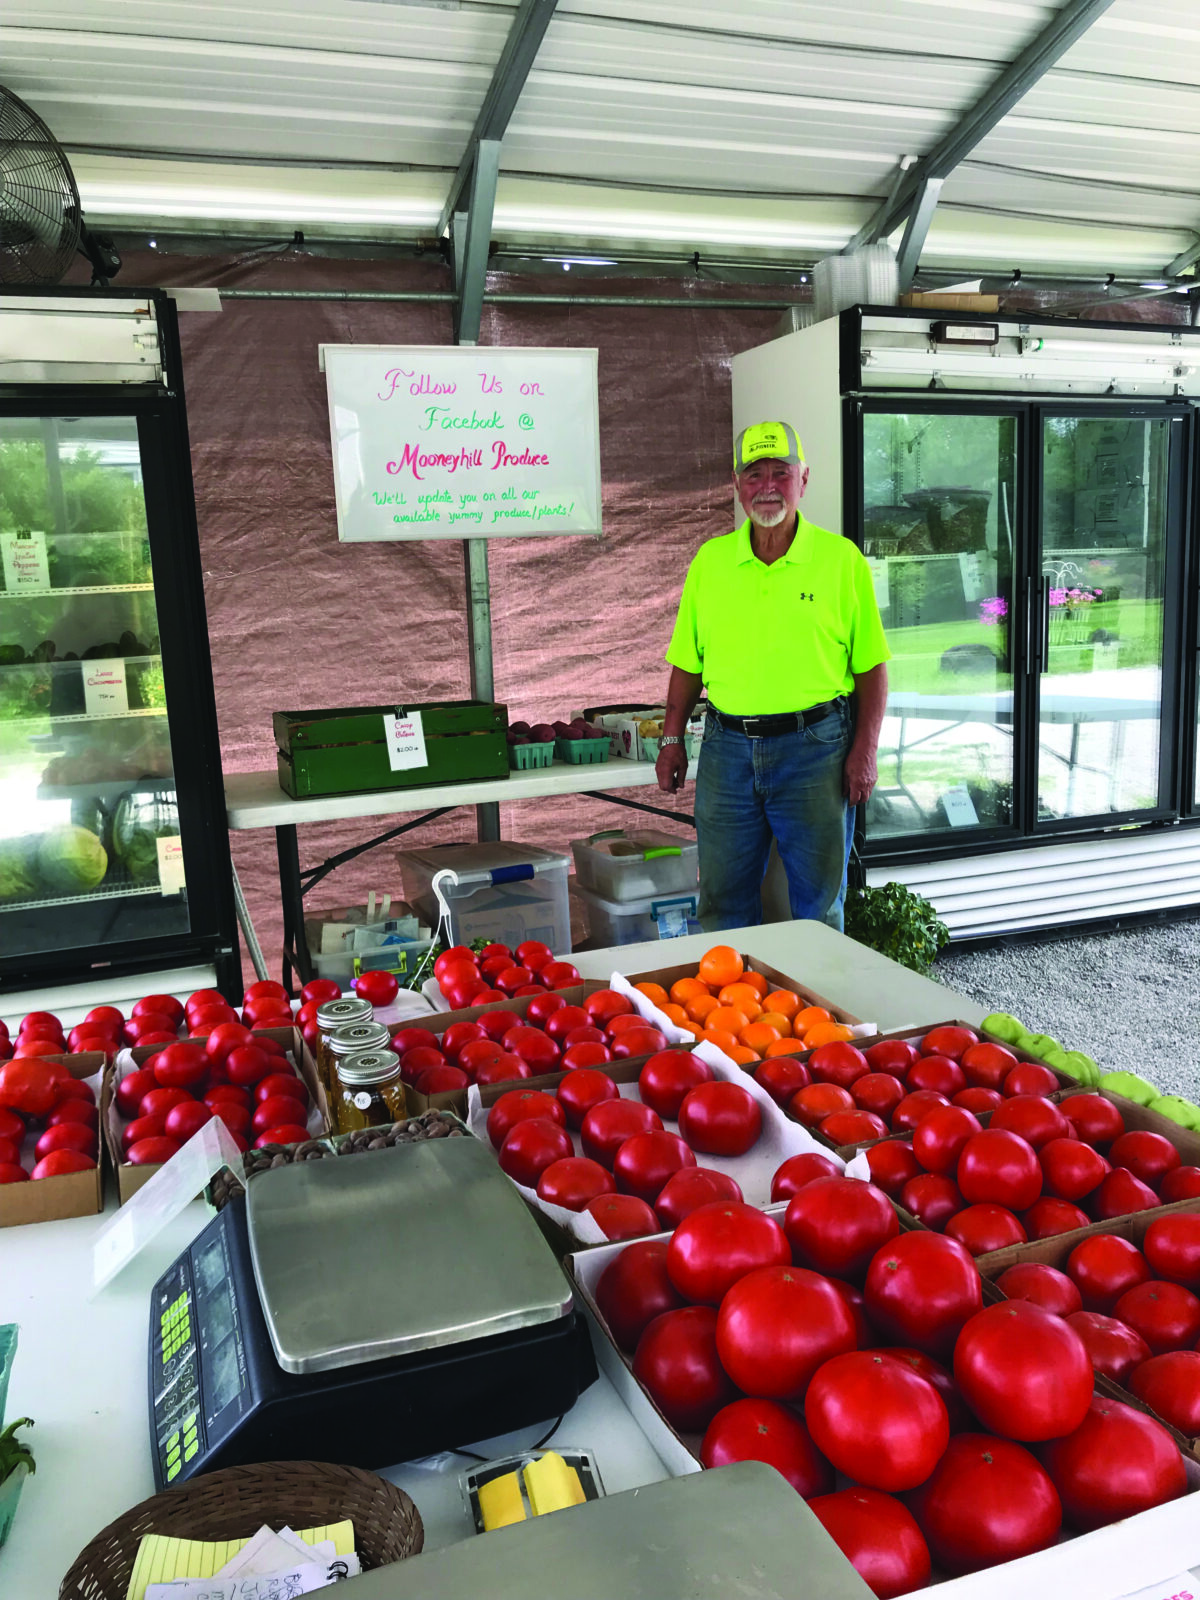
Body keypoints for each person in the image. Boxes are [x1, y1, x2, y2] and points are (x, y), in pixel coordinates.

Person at [656, 419, 889, 932]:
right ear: (737, 485)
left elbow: (872, 668)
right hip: (726, 749)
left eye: (779, 473)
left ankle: (818, 1012)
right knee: (722, 901)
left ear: (804, 478)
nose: (766, 486)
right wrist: (672, 740)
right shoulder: (711, 562)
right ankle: (729, 1011)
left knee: (819, 908)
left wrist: (864, 751)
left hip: (816, 748)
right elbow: (687, 664)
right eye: (753, 474)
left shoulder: (840, 561)